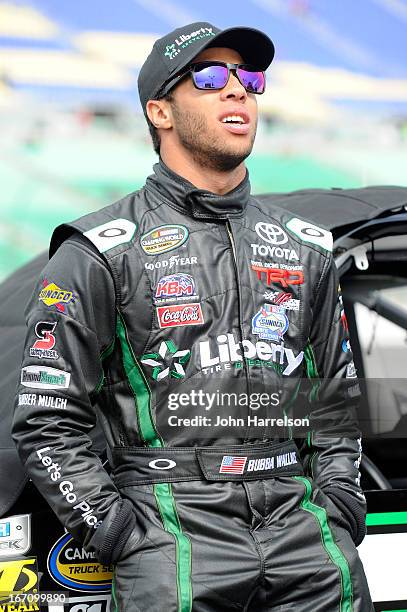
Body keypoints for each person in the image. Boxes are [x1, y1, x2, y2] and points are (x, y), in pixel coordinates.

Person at [12, 21, 373, 611]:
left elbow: (332, 398)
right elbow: (47, 419)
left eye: (249, 77)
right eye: (209, 77)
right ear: (160, 111)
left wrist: (337, 504)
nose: (239, 90)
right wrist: (117, 532)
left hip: (305, 533)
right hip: (172, 531)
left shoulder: (306, 247)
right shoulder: (102, 251)